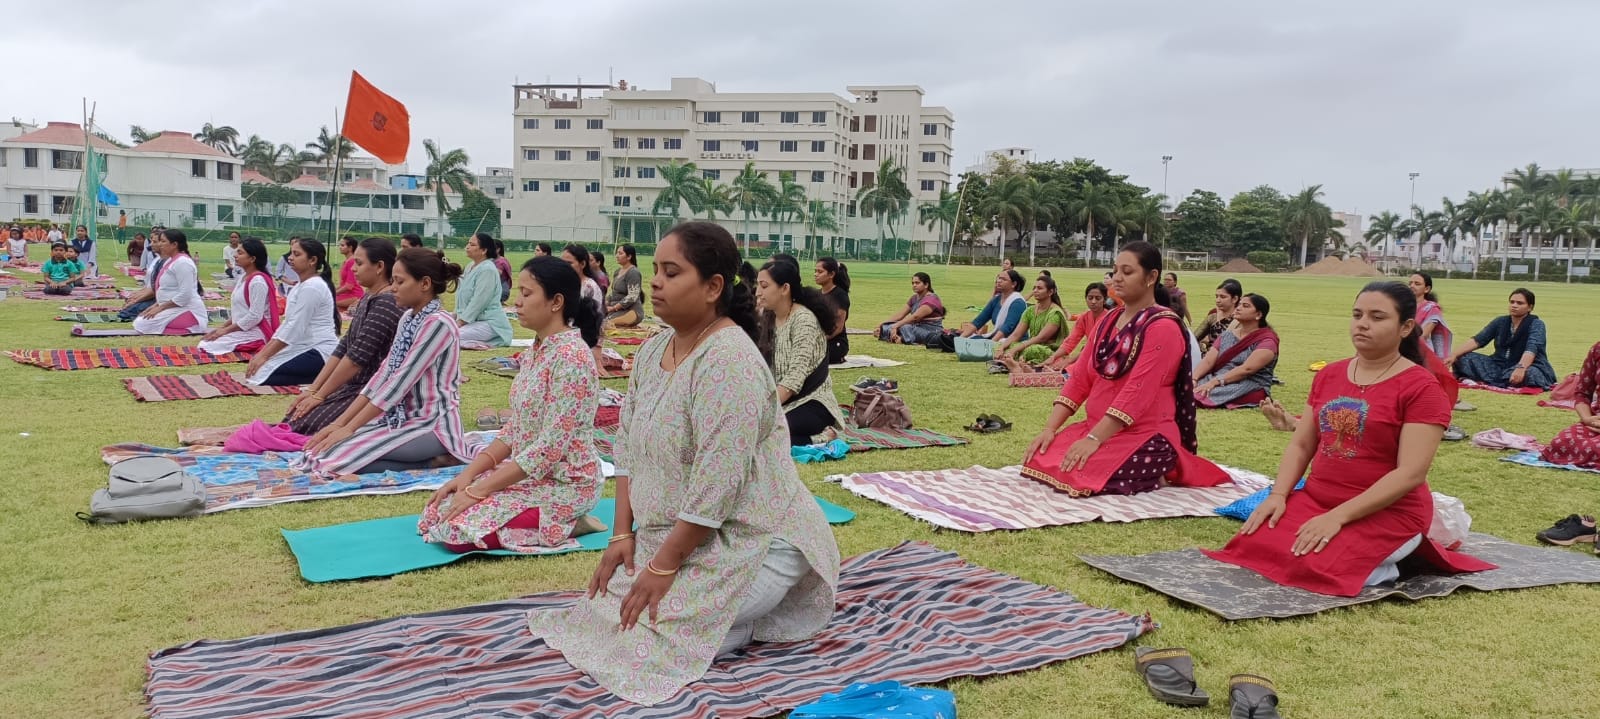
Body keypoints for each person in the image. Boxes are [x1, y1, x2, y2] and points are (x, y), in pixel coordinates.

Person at [527, 221, 840, 707]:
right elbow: (626, 446)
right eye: (655, 270)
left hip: (755, 540)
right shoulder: (655, 348)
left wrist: (663, 564)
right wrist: (622, 535)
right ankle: (713, 615)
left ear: (713, 287)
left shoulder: (729, 360)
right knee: (603, 608)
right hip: (683, 533)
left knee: (649, 623)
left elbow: (719, 482)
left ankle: (739, 622)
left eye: (671, 273)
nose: (654, 282)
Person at [1204, 282, 1496, 596]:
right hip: (1318, 499)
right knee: (1253, 546)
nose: (1363, 323)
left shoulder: (1422, 387)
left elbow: (1410, 473)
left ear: (1406, 327)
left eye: (1377, 317)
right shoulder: (1330, 375)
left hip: (1388, 512)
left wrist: (1338, 518)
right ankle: (1351, 553)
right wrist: (1277, 496)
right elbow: (1302, 444)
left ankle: (1389, 564)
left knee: (1312, 565)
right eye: (1357, 314)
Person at [421, 255, 605, 552]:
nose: (517, 301)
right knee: (438, 512)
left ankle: (568, 520)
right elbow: (514, 429)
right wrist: (467, 476)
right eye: (518, 292)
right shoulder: (534, 352)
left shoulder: (572, 358)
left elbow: (549, 449)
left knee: (456, 532)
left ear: (556, 302)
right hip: (532, 476)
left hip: (566, 484)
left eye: (526, 293)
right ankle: (546, 518)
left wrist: (480, 489)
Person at [1021, 241, 1229, 497]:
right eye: (1115, 270)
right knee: (1040, 459)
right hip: (1097, 427)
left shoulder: (1163, 327)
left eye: (1127, 272)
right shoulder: (1108, 320)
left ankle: (1157, 468)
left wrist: (1094, 441)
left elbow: (1137, 393)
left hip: (1146, 434)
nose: (1116, 278)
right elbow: (1081, 378)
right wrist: (1050, 429)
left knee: (1079, 473)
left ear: (1151, 277)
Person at [298, 249, 472, 477]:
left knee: (332, 463)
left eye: (400, 281)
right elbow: (382, 375)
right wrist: (339, 425)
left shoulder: (438, 324)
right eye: (393, 281)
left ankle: (437, 461)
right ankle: (430, 459)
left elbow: (399, 383)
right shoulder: (408, 319)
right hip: (401, 420)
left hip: (432, 425)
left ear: (425, 284)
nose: (393, 288)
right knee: (315, 454)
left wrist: (349, 428)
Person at [284, 238, 406, 435]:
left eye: (359, 263)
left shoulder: (386, 304)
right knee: (295, 417)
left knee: (307, 424)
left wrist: (320, 395)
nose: (354, 269)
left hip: (371, 389)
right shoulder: (368, 297)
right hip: (353, 384)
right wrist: (314, 391)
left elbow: (357, 358)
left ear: (380, 266)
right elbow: (345, 346)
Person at [754, 259, 844, 445]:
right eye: (757, 285)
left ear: (785, 288)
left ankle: (822, 436)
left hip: (812, 401)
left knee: (768, 430)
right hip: (780, 399)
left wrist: (763, 409)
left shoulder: (803, 320)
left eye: (764, 286)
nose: (757, 292)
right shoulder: (769, 317)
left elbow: (795, 378)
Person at [243, 238, 340, 386]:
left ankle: (324, 377)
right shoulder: (301, 285)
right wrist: (263, 353)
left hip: (319, 348)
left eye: (296, 254)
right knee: (258, 371)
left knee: (259, 376)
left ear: (312, 260)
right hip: (300, 344)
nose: (290, 257)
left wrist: (264, 355)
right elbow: (287, 324)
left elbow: (294, 326)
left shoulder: (312, 287)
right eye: (291, 253)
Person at [1447, 288, 1556, 390]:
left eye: (1520, 303)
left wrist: (1521, 367)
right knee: (1463, 357)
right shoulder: (1500, 321)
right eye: (1512, 302)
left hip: (1528, 365)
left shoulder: (1537, 324)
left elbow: (1532, 348)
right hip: (1498, 365)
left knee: (1532, 373)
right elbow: (1478, 340)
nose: (1514, 305)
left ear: (1530, 307)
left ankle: (1498, 379)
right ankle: (1505, 380)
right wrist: (1454, 355)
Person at [1191, 293, 1279, 408]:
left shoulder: (1267, 340)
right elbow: (1208, 361)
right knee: (1184, 386)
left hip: (1249, 383)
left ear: (1258, 315)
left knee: (1201, 393)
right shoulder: (1227, 335)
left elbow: (1247, 369)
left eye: (1245, 306)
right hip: (1219, 378)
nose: (1238, 308)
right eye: (1239, 304)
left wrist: (1213, 383)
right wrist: (1194, 378)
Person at [198, 237, 280, 355]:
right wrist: (220, 329)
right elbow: (240, 312)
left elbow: (255, 316)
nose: (235, 255)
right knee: (206, 341)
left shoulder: (258, 281)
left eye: (240, 253)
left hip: (256, 331)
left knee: (207, 346)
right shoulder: (243, 277)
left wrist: (225, 331)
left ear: (252, 258)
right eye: (236, 251)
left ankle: (258, 344)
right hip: (241, 328)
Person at [132, 230, 209, 335]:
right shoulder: (170, 260)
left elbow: (185, 295)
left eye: (163, 241)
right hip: (172, 307)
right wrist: (155, 306)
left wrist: (161, 308)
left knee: (142, 325)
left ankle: (193, 328)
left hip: (186, 309)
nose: (160, 244)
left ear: (174, 245)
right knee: (140, 320)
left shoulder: (183, 263)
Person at [1540, 340, 1600, 470]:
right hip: (1596, 423)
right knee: (1561, 443)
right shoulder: (1597, 349)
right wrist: (1587, 419)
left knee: (1596, 449)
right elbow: (1582, 393)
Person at [996, 275, 1068, 370]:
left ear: (1050, 292)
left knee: (1031, 350)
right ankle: (1016, 362)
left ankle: (1015, 363)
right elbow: (1016, 335)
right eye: (1034, 288)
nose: (1035, 291)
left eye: (1039, 288)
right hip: (1030, 344)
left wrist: (1016, 349)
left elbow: (1041, 338)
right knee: (1000, 346)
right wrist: (1001, 348)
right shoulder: (1030, 310)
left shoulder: (1055, 313)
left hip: (1049, 351)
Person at [455, 233, 514, 347]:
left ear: (483, 250)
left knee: (450, 335)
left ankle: (470, 343)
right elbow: (462, 296)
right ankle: (468, 342)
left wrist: (461, 322)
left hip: (489, 323)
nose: (467, 247)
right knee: (442, 331)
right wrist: (455, 316)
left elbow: (479, 301)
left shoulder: (488, 270)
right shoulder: (470, 266)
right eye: (468, 243)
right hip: (472, 321)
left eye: (472, 245)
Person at [1041, 282, 1111, 370]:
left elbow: (1096, 346)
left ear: (1104, 300)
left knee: (1072, 368)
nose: (1093, 302)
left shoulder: (1109, 318)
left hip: (1104, 355)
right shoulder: (1084, 317)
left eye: (1098, 298)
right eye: (1090, 298)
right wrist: (1053, 357)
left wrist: (1070, 361)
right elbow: (1071, 341)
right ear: (1086, 299)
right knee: (1057, 362)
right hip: (1087, 353)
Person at [876, 272, 945, 345]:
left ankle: (903, 339)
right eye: (913, 283)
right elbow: (900, 315)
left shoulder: (931, 299)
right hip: (915, 328)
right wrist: (881, 325)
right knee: (887, 326)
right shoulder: (914, 298)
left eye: (917, 283)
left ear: (926, 285)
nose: (914, 285)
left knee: (905, 327)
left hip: (930, 331)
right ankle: (896, 337)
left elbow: (915, 317)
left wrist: (896, 326)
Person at [958, 269, 1027, 340]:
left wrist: (991, 343)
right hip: (998, 338)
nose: (999, 281)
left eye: (1003, 279)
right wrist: (960, 339)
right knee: (973, 339)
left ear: (1013, 284)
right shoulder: (996, 300)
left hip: (1013, 340)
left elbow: (1007, 327)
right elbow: (978, 321)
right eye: (999, 278)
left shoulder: (1018, 302)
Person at [814, 257, 851, 364]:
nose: (816, 274)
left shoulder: (840, 296)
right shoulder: (816, 295)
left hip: (835, 342)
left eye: (820, 272)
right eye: (815, 271)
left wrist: (818, 340)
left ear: (831, 274)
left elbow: (838, 328)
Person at [1410, 272, 1451, 360]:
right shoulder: (1402, 305)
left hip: (1421, 352)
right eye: (1410, 283)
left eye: (1417, 284)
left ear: (1427, 289)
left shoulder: (1432, 309)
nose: (1412, 286)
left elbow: (1423, 335)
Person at [1194, 279, 1243, 352]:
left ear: (1235, 299)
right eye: (1216, 296)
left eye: (1222, 297)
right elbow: (1194, 338)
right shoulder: (1213, 317)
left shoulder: (1243, 320)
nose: (1218, 300)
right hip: (1208, 358)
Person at [604, 244, 645, 327]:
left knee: (605, 324)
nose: (617, 256)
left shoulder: (633, 272)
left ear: (629, 256)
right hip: (615, 309)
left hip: (630, 310)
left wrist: (614, 308)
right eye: (617, 253)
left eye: (620, 253)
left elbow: (632, 296)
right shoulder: (617, 271)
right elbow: (614, 293)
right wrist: (605, 304)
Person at [333, 236, 365, 311]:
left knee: (329, 301)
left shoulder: (352, 262)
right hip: (346, 294)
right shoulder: (346, 262)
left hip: (353, 294)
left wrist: (334, 293)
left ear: (350, 248)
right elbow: (343, 284)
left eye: (342, 245)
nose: (340, 247)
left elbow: (349, 286)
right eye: (340, 245)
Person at [492, 238, 514, 304]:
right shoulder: (492, 260)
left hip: (501, 292)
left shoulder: (501, 261)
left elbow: (497, 273)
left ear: (498, 250)